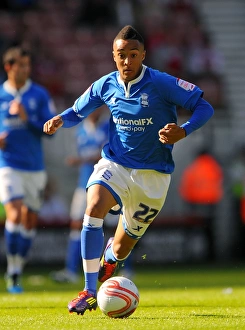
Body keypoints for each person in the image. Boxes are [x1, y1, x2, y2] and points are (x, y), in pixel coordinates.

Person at [43, 25, 214, 315]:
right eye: (121, 55)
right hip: (116, 164)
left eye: (133, 55)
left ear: (143, 55)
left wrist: (182, 132)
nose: (127, 61)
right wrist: (59, 119)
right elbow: (76, 112)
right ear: (114, 55)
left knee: (121, 250)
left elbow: (204, 107)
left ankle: (110, 255)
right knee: (94, 204)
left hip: (153, 178)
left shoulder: (161, 83)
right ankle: (88, 290)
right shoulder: (106, 85)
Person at [0, 46, 56, 293]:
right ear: (9, 67)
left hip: (35, 168)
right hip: (8, 165)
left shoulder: (40, 94)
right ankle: (11, 270)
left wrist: (26, 118)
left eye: (27, 65)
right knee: (14, 214)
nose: (25, 70)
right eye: (20, 65)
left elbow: (49, 131)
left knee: (30, 222)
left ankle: (18, 267)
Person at [50, 109, 111, 283]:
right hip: (84, 183)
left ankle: (123, 269)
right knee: (77, 225)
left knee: (114, 227)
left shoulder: (109, 125)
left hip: (108, 182)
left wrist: (82, 160)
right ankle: (71, 270)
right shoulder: (81, 130)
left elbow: (109, 153)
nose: (94, 111)